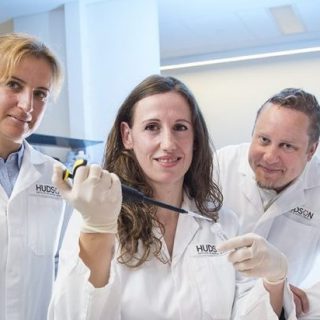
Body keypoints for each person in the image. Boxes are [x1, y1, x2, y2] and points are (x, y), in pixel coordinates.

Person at [48, 75, 295, 319]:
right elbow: (73, 314)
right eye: (152, 127)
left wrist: (275, 279)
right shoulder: (94, 219)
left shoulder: (221, 223)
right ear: (127, 136)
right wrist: (98, 232)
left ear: (195, 138)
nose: (168, 143)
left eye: (180, 127)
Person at [216, 88, 320, 319]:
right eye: (264, 140)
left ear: (311, 151)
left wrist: (304, 298)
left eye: (287, 146)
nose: (270, 157)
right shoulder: (222, 165)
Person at [0, 32, 69, 319]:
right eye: (14, 84)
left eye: (40, 94)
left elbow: (62, 270)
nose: (27, 105)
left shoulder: (56, 178)